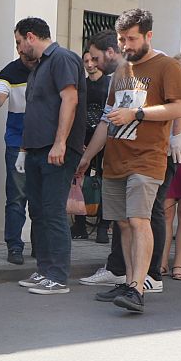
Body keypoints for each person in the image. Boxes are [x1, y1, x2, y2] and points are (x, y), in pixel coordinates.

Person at [77, 9, 181, 312]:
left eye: (132, 39)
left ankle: (139, 287)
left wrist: (138, 114)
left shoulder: (167, 67)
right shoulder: (121, 72)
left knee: (139, 220)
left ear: (148, 36)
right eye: (122, 39)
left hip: (148, 159)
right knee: (123, 223)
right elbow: (105, 120)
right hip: (115, 159)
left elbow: (180, 107)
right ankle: (127, 281)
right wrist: (87, 157)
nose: (126, 45)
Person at [13, 16, 86, 296]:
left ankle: (57, 275)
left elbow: (70, 99)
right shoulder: (39, 67)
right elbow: (35, 113)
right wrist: (23, 150)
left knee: (53, 211)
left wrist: (60, 143)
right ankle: (45, 270)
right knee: (39, 211)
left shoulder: (62, 58)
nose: (19, 48)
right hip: (36, 149)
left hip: (56, 150)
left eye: (20, 42)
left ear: (31, 36)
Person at [0, 50, 38, 264]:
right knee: (16, 197)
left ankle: (39, 245)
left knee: (40, 199)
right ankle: (14, 246)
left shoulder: (49, 66)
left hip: (43, 142)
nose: (23, 49)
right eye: (18, 44)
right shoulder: (11, 71)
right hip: (17, 143)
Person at [71, 47, 112, 240]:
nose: (90, 65)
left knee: (105, 180)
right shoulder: (81, 85)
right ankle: (79, 224)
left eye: (92, 60)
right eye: (85, 61)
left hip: (107, 138)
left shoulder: (110, 84)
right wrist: (78, 141)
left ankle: (103, 226)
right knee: (79, 180)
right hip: (83, 139)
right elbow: (76, 114)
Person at [163, 52, 181, 281]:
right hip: (167, 155)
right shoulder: (167, 96)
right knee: (165, 211)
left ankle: (178, 265)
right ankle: (160, 263)